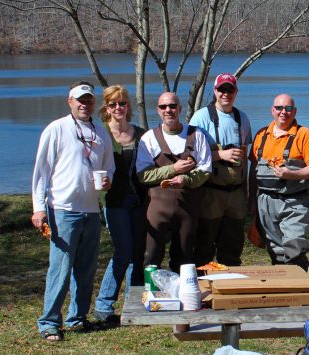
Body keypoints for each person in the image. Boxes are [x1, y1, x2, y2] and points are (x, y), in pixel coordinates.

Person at [31, 81, 115, 342]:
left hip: (91, 210)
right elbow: (41, 171)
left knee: (86, 269)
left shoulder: (100, 132)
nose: (84, 104)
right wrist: (38, 208)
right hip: (63, 209)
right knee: (61, 269)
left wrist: (108, 180)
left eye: (89, 99)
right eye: (80, 100)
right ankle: (49, 322)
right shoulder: (57, 129)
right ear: (70, 101)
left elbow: (109, 167)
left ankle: (77, 318)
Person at [136, 92, 212, 272]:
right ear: (158, 110)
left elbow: (205, 169)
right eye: (163, 107)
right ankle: (150, 289)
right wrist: (173, 169)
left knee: (185, 259)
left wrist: (186, 179)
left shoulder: (196, 135)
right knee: (150, 257)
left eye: (172, 106)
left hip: (187, 207)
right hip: (157, 209)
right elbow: (143, 175)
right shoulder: (149, 138)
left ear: (179, 108)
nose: (168, 110)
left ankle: (182, 289)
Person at [248, 94, 309, 271]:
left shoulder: (304, 135)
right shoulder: (261, 135)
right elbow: (253, 169)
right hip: (266, 202)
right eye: (279, 108)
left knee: (294, 247)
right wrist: (251, 199)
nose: (284, 112)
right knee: (275, 250)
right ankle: (283, 282)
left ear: (294, 111)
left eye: (288, 109)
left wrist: (292, 174)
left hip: (295, 202)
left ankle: (300, 281)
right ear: (272, 110)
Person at [94, 85, 147, 324]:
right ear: (106, 108)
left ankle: (133, 303)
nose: (118, 108)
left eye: (122, 103)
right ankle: (104, 305)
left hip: (139, 200)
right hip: (114, 202)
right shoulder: (100, 134)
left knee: (137, 252)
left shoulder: (140, 134)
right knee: (123, 251)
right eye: (113, 104)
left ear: (128, 106)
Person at [189, 73, 252, 266]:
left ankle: (230, 281)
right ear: (215, 91)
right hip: (210, 192)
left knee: (233, 247)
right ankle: (202, 282)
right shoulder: (201, 117)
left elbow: (245, 157)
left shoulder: (242, 118)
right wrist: (219, 155)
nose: (226, 94)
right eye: (221, 89)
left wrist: (247, 191)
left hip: (236, 194)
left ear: (236, 92)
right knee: (204, 246)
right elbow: (190, 157)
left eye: (230, 89)